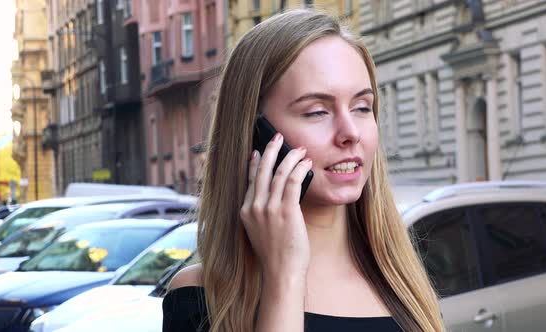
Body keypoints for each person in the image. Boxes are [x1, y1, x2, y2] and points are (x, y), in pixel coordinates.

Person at [163, 9, 445, 332]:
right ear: (255, 132)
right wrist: (284, 275)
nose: (350, 132)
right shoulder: (197, 297)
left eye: (362, 107)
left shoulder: (404, 283)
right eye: (317, 111)